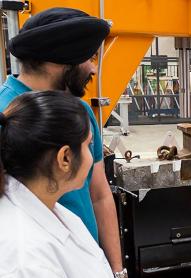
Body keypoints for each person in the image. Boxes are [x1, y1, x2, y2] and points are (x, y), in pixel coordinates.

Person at [0, 7, 125, 276]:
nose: (94, 68)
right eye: (89, 57)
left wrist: (117, 270)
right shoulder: (4, 111)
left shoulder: (80, 113)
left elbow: (99, 193)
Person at [0, 91, 113, 277]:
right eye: (88, 145)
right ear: (65, 158)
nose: (91, 157)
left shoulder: (51, 209)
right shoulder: (25, 259)